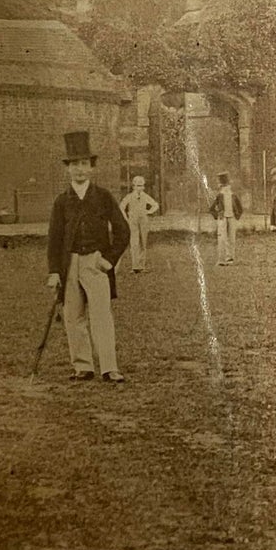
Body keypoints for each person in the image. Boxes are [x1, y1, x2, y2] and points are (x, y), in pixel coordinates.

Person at [46, 130, 132, 383]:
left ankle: (108, 367)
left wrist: (109, 259)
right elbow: (54, 239)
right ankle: (82, 366)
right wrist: (54, 271)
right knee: (73, 316)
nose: (79, 170)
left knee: (102, 315)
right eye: (74, 165)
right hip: (69, 264)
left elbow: (123, 231)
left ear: (91, 167)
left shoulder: (103, 196)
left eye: (84, 164)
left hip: (96, 262)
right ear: (67, 169)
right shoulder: (62, 202)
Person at [121, 174, 160, 274]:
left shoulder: (145, 196)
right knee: (134, 242)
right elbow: (121, 206)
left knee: (143, 242)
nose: (140, 188)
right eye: (138, 186)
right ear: (133, 186)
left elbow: (155, 205)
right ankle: (135, 266)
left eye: (142, 186)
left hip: (143, 220)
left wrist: (148, 211)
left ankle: (142, 266)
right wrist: (126, 218)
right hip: (133, 220)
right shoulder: (129, 196)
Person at [208, 172, 241, 265]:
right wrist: (217, 215)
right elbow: (211, 208)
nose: (226, 188)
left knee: (232, 238)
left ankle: (230, 259)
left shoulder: (233, 195)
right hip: (222, 218)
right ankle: (221, 259)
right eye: (224, 186)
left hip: (232, 218)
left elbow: (240, 208)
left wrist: (236, 215)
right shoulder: (219, 196)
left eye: (227, 186)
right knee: (222, 238)